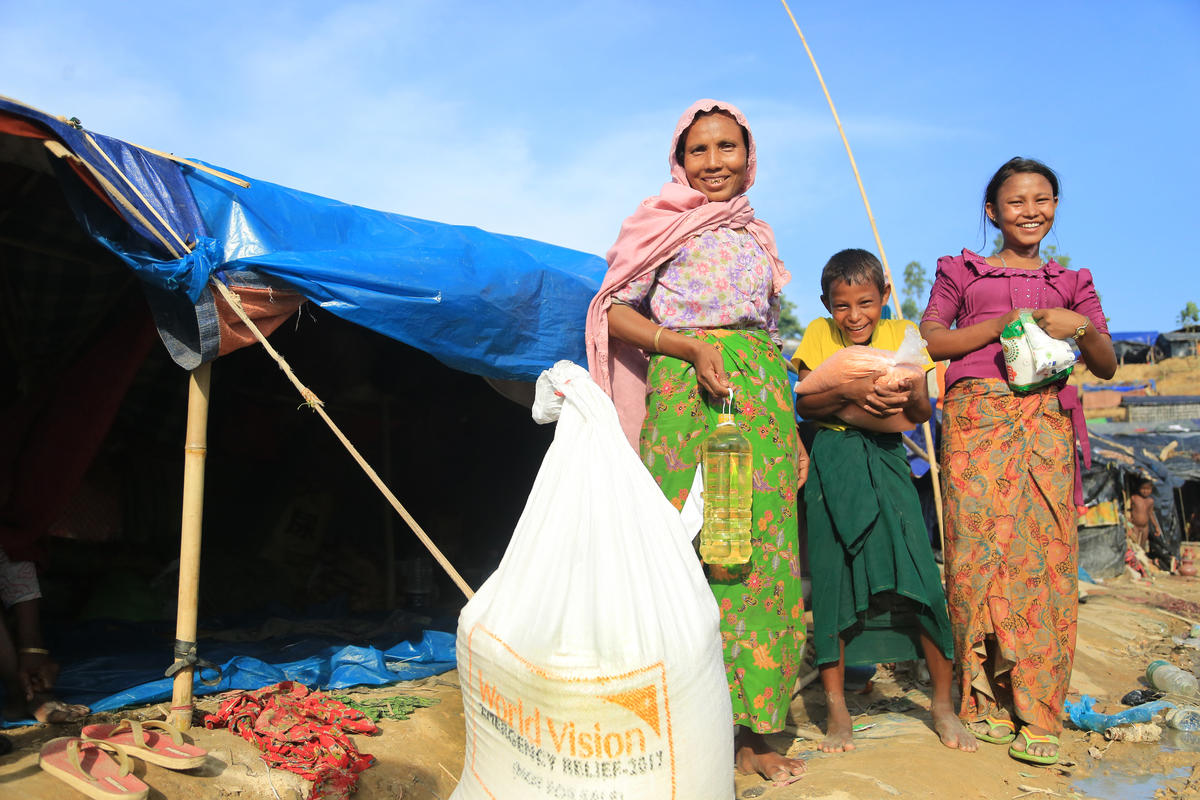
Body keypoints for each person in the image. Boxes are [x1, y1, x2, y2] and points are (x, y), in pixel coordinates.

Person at [585, 99, 807, 783]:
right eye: (699, 151)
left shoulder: (756, 234)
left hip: (758, 405)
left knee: (755, 560)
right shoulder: (660, 226)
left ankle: (752, 734)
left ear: (749, 157)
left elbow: (767, 335)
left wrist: (791, 429)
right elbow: (611, 311)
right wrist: (682, 345)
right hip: (690, 399)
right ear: (679, 161)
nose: (714, 163)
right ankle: (676, 718)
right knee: (681, 550)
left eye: (727, 149)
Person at [920, 157, 1117, 766]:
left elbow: (1107, 365)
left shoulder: (1072, 283)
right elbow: (934, 339)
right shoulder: (961, 271)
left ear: (1055, 206)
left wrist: (1078, 325)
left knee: (1042, 559)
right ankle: (983, 699)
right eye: (1016, 202)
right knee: (978, 556)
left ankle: (1037, 709)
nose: (1031, 211)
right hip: (976, 422)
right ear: (992, 211)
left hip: (1044, 427)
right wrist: (1002, 322)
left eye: (1043, 199)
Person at [792, 248, 974, 754]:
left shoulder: (905, 336)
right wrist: (856, 402)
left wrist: (881, 397)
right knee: (834, 577)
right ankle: (837, 711)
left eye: (866, 303)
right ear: (827, 304)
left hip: (890, 462)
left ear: (885, 298)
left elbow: (914, 412)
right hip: (834, 463)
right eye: (842, 306)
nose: (854, 317)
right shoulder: (816, 334)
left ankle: (941, 705)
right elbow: (806, 402)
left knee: (917, 572)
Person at [1128, 480, 1162, 551]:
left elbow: (1151, 514)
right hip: (1135, 526)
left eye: (1148, 489)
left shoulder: (1150, 501)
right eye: (1143, 489)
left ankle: (1141, 559)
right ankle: (1135, 560)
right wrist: (1129, 524)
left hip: (1145, 527)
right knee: (1134, 545)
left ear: (1151, 490)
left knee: (1142, 546)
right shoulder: (1134, 498)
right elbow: (1128, 511)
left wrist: (1156, 527)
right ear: (1139, 488)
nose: (1145, 491)